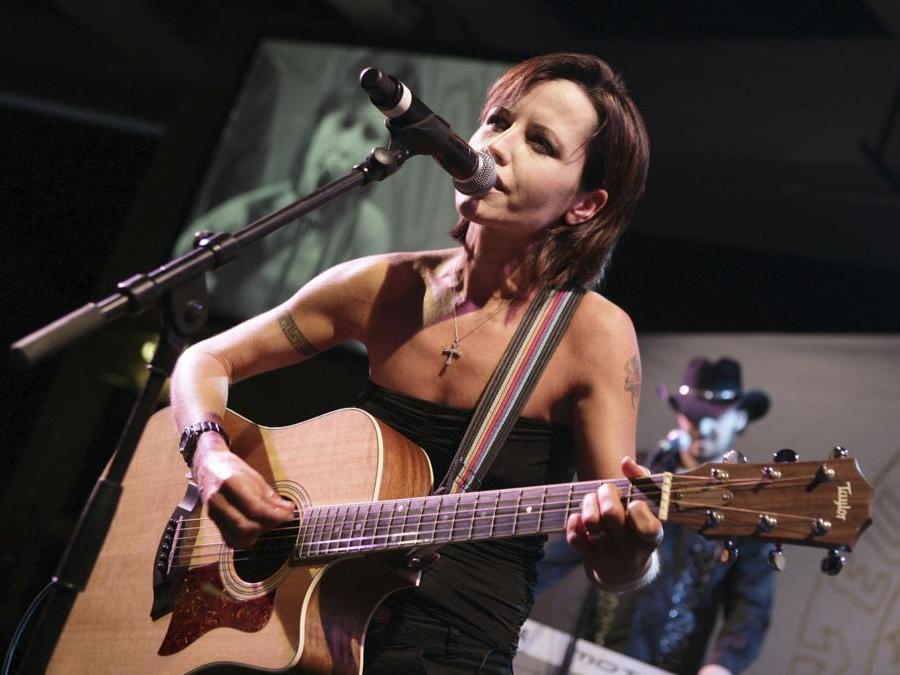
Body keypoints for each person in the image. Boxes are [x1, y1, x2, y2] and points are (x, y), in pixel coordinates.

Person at [170, 52, 660, 674]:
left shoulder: (594, 335)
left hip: (450, 652)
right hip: (309, 627)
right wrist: (210, 456)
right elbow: (204, 358)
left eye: (539, 142)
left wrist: (630, 553)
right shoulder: (382, 287)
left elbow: (615, 556)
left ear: (584, 205)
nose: (499, 145)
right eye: (498, 120)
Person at [540, 356, 774, 675]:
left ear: (741, 419)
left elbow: (751, 606)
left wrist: (722, 666)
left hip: (670, 664)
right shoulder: (637, 472)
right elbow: (570, 546)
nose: (702, 426)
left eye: (714, 417)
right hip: (593, 654)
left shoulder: (749, 504)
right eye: (692, 415)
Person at [174, 54, 419, 319]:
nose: (346, 147)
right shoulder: (247, 213)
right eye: (344, 123)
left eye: (369, 134)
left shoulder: (368, 231)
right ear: (318, 125)